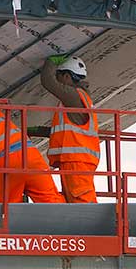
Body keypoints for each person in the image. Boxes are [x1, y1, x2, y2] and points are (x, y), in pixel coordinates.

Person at [38, 55, 100, 203]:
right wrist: (36, 130)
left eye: (58, 76)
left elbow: (48, 81)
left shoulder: (73, 95)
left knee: (81, 201)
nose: (58, 80)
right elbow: (66, 132)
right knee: (75, 200)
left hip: (75, 162)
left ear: (66, 76)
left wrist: (51, 62)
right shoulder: (79, 98)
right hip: (76, 161)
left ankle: (94, 220)